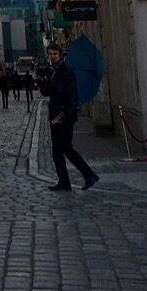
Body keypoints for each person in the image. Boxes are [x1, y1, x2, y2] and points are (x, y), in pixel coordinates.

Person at [46, 51, 100, 191]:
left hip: (64, 119)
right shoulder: (52, 73)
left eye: (55, 53)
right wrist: (42, 78)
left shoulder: (67, 72)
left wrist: (62, 115)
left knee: (67, 148)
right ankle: (64, 182)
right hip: (54, 118)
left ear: (60, 56)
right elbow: (46, 93)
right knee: (57, 152)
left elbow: (73, 99)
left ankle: (89, 175)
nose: (52, 56)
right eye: (50, 54)